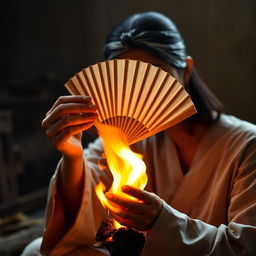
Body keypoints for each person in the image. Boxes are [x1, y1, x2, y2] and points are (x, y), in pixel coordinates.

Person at [22, 11, 256, 255]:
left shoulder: (247, 145)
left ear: (186, 72)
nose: (142, 90)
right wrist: (72, 156)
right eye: (130, 78)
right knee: (34, 251)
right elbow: (78, 218)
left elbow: (246, 246)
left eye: (158, 72)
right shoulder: (123, 138)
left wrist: (162, 222)